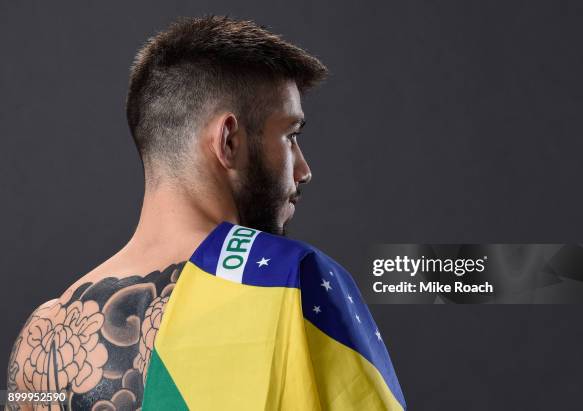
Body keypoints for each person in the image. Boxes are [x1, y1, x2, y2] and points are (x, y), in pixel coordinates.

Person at [5, 16, 405, 410]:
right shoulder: (294, 282)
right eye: (290, 137)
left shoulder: (44, 335)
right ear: (228, 140)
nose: (304, 169)